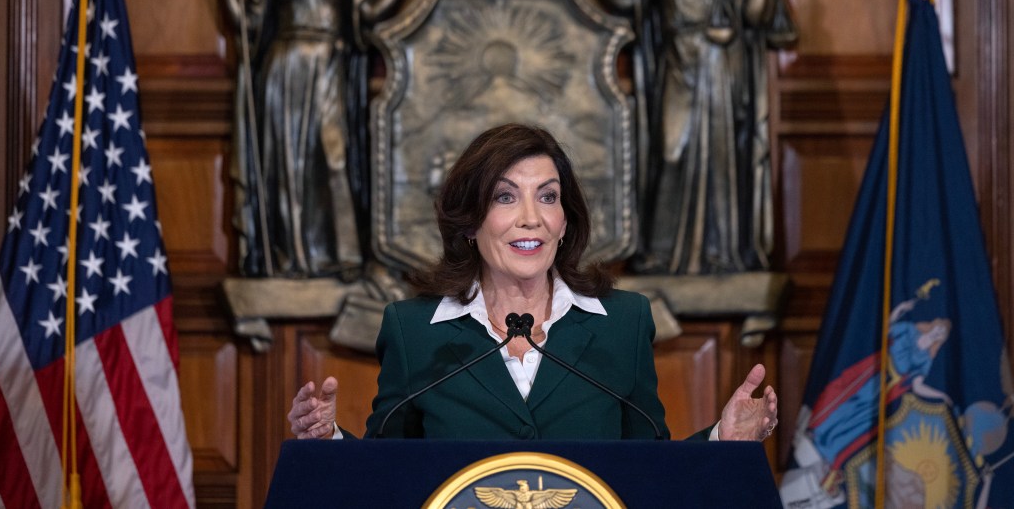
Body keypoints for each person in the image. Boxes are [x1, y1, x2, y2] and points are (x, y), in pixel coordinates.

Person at [287, 123, 778, 440]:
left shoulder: (623, 323)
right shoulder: (414, 331)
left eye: (547, 197)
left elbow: (650, 470)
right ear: (470, 221)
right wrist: (326, 436)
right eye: (505, 197)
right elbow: (384, 476)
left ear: (565, 222)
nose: (530, 218)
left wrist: (723, 440)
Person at [582, 0, 795, 276]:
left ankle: (721, 252)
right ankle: (661, 252)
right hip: (677, 62)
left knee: (720, 156)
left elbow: (751, 13)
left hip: (718, 62)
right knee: (670, 150)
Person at [220, 0, 410, 279]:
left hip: (328, 66)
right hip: (283, 69)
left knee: (333, 155)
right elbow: (249, 22)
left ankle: (344, 254)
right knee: (288, 163)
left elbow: (368, 12)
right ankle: (290, 256)